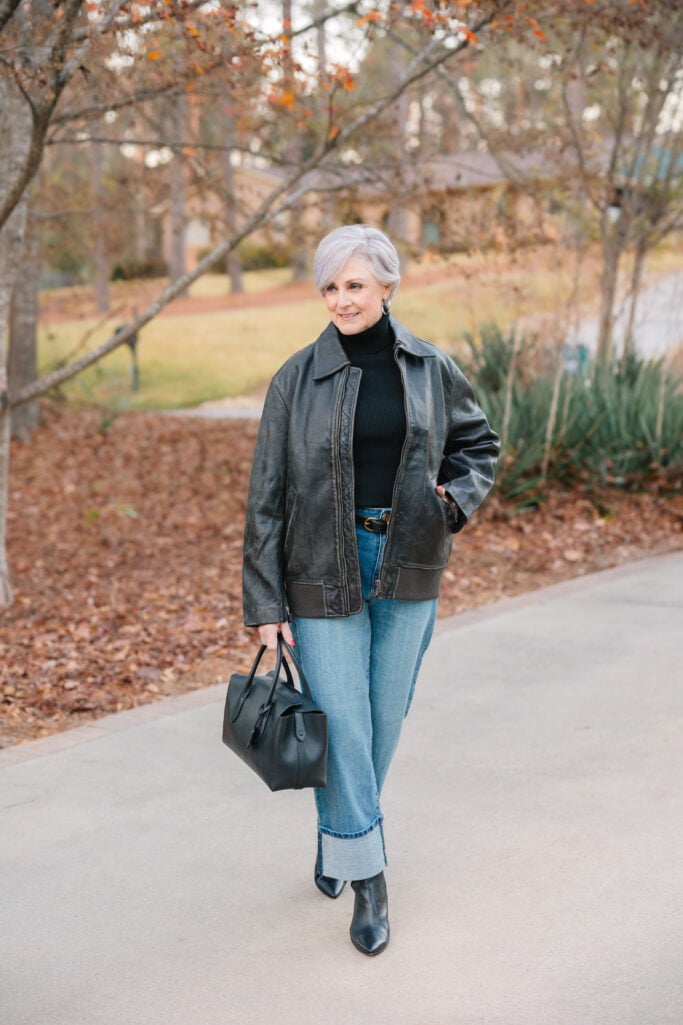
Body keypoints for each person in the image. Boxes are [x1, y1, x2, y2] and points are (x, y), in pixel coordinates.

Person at [242, 224, 500, 957]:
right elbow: (266, 497)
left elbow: (478, 445)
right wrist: (263, 604)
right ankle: (369, 875)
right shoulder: (296, 379)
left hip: (410, 561)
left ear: (387, 285)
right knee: (344, 726)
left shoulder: (428, 367)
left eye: (354, 284)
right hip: (321, 565)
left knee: (380, 721)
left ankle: (337, 841)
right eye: (329, 285)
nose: (340, 299)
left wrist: (448, 505)